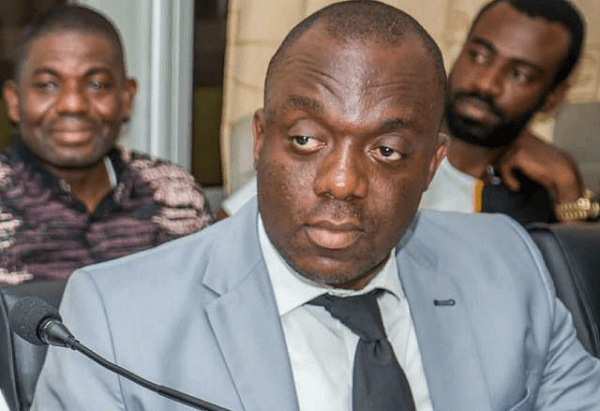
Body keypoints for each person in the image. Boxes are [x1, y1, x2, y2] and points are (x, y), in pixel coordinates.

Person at [32, 1, 600, 410]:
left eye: (387, 150)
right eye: (306, 140)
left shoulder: (507, 263)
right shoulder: (115, 321)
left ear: (431, 164)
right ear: (260, 141)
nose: (342, 182)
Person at [0, 5, 213, 285]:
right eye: (48, 85)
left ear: (126, 98)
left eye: (97, 85)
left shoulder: (176, 195)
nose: (73, 104)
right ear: (14, 100)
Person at [420, 0, 594, 225]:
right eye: (478, 56)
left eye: (518, 75)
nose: (486, 84)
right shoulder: (390, 145)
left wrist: (568, 190)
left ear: (553, 97)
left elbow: (570, 246)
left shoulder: (539, 200)